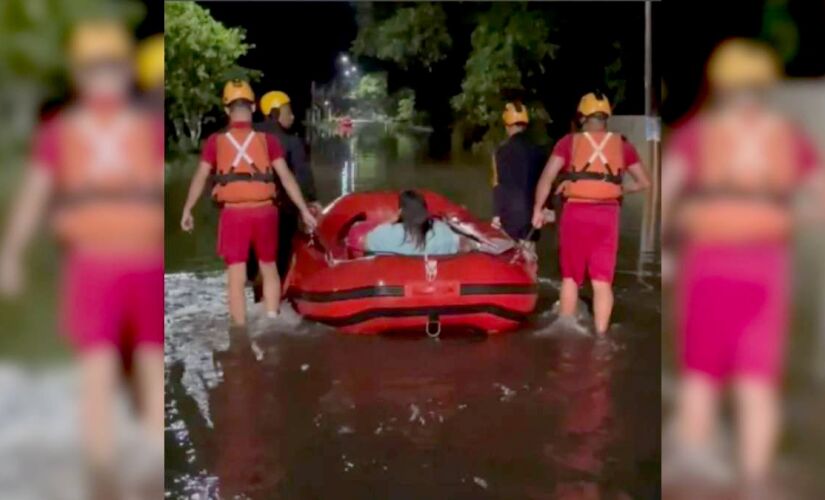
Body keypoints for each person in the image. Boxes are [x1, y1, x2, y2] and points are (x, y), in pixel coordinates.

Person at [0, 20, 164, 498]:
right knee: (98, 371)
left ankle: (148, 470)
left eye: (111, 68)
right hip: (94, 265)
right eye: (96, 70)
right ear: (80, 75)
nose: (104, 79)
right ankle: (102, 474)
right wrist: (11, 254)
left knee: (148, 363)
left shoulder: (144, 129)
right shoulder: (62, 132)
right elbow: (35, 194)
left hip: (143, 263)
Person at [661, 38, 823, 491]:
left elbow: (668, 199)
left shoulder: (697, 136)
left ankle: (695, 473)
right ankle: (756, 482)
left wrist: (671, 252)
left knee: (700, 379)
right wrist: (785, 218)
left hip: (708, 268)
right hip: (766, 270)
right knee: (758, 385)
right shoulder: (788, 138)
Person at [180, 80, 317, 327]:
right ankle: (273, 321)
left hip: (234, 215)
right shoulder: (268, 140)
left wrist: (187, 209)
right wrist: (305, 211)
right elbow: (286, 177)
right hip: (266, 212)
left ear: (226, 109)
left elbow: (201, 176)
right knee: (269, 267)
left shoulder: (214, 142)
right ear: (253, 107)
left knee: (236, 274)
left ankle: (240, 332)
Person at [532, 91, 650, 334]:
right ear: (607, 117)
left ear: (582, 117)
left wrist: (537, 209)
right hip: (608, 216)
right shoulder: (623, 145)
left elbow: (546, 178)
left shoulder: (568, 143)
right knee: (602, 281)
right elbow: (644, 183)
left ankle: (565, 331)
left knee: (570, 278)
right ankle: (601, 336)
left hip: (576, 213)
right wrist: (616, 188)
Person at [246, 90, 320, 302]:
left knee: (254, 263)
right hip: (279, 212)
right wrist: (310, 203)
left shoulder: (245, 137)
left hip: (243, 210)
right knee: (278, 261)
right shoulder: (291, 142)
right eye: (289, 112)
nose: (293, 117)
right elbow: (303, 177)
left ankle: (255, 297)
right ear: (276, 113)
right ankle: (273, 304)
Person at [491, 101, 548, 246]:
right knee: (528, 263)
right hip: (531, 220)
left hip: (508, 220)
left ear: (507, 125)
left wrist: (496, 214)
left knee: (508, 264)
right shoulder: (539, 150)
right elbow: (545, 183)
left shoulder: (499, 152)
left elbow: (497, 185)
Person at [365, 190, 461, 256]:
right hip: (430, 281)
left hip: (395, 281)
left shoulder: (385, 233)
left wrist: (391, 221)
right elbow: (461, 245)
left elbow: (366, 245)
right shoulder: (442, 230)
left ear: (401, 212)